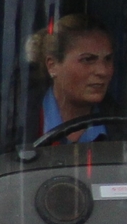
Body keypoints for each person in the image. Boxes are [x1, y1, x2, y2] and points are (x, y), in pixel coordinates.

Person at [38, 15, 116, 143]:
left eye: (108, 59)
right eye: (87, 60)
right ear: (52, 65)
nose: (103, 71)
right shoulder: (6, 127)